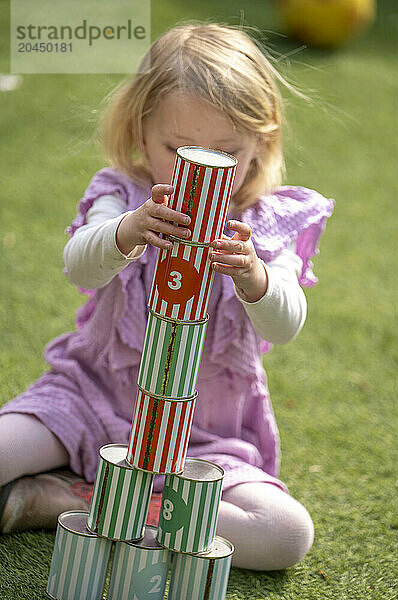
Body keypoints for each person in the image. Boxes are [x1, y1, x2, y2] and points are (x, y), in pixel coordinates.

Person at [0, 23, 334, 571]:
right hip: (93, 399)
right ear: (140, 132)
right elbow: (78, 262)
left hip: (201, 442)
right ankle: (103, 488)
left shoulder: (266, 224)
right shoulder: (124, 194)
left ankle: (82, 500)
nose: (194, 170)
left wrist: (255, 277)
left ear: (260, 144)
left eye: (225, 152)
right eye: (177, 149)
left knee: (284, 535)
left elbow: (286, 324)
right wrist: (127, 231)